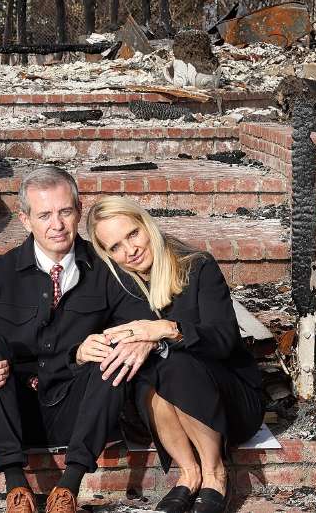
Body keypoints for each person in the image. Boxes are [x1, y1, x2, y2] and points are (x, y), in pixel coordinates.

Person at [0, 167, 156, 513]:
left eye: (65, 212)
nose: (56, 225)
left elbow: (142, 321)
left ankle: (67, 490)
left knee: (112, 353)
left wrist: (125, 339)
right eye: (44, 215)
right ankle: (16, 488)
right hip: (14, 411)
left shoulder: (105, 269)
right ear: (26, 220)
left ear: (78, 211)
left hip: (79, 411)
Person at [86, 197, 263, 513]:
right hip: (162, 407)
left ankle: (215, 474)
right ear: (106, 253)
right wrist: (82, 348)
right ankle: (189, 473)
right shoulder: (116, 285)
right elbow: (85, 334)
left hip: (231, 402)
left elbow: (223, 340)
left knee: (175, 363)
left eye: (133, 234)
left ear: (146, 225)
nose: (130, 250)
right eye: (115, 247)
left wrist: (167, 330)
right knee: (154, 372)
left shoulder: (197, 266)